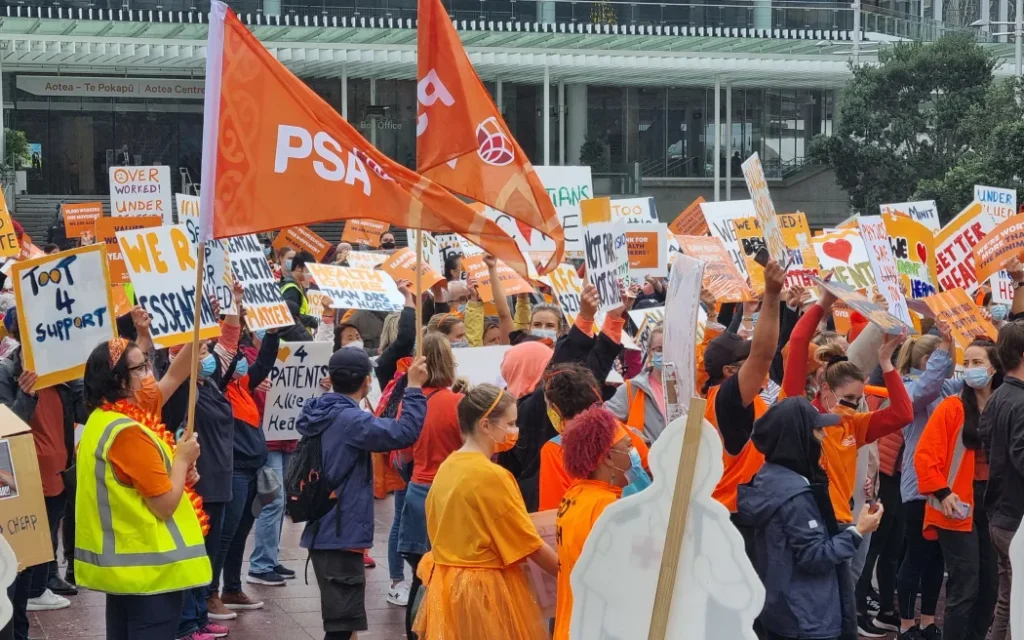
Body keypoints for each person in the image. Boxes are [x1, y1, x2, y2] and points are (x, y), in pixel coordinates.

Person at [77, 337, 210, 640]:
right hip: (151, 574)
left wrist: (202, 329)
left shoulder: (105, 419)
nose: (149, 373)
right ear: (119, 380)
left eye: (148, 362)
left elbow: (176, 373)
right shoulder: (126, 433)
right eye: (141, 367)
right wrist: (182, 460)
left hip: (128, 572)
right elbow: (163, 505)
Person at [298, 349, 429, 640]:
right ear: (367, 381)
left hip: (327, 526)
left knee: (344, 622)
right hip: (341, 531)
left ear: (330, 379)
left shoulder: (321, 409)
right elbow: (402, 433)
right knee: (341, 628)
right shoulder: (350, 420)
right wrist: (415, 388)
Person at [412, 384, 558, 640]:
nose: (514, 430)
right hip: (483, 588)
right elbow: (527, 542)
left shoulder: (449, 465)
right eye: (510, 423)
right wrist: (566, 570)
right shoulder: (492, 475)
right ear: (486, 425)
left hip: (446, 583)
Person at [738, 397, 883, 640]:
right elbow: (814, 556)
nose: (824, 437)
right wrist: (858, 531)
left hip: (782, 608)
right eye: (817, 430)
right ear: (797, 437)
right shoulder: (795, 494)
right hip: (807, 617)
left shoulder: (769, 477)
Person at [915, 338, 1001, 640]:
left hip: (993, 506)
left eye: (978, 363)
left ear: (995, 367)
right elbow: (925, 456)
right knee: (965, 586)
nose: (970, 369)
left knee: (990, 587)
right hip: (955, 505)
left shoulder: (1005, 405)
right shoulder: (952, 408)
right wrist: (942, 492)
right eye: (968, 362)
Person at [891, 327, 960, 640]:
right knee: (917, 554)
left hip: (947, 486)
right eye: (943, 355)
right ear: (931, 359)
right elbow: (926, 390)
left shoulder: (947, 386)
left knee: (937, 557)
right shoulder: (907, 386)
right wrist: (945, 349)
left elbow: (981, 382)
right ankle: (906, 624)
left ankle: (929, 621)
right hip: (918, 486)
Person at [396, 332, 464, 636]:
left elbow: (402, 454)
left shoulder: (409, 402)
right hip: (450, 495)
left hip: (416, 493)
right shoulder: (459, 404)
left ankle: (414, 633)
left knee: (420, 576)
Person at [553, 404, 632, 640]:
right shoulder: (608, 509)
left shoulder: (575, 494)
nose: (635, 454)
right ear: (608, 457)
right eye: (628, 447)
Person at [981, 320, 1024, 640]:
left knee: (1008, 603)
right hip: (1015, 518)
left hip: (1000, 512)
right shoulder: (1019, 401)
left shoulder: (997, 397)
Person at [606, 325, 667, 442]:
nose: (665, 354)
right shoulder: (632, 388)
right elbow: (605, 421)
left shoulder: (687, 389)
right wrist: (631, 436)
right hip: (646, 458)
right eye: (659, 349)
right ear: (649, 352)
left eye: (669, 349)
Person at [278, 250, 318, 340]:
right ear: (299, 268)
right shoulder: (291, 289)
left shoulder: (294, 285)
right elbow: (288, 314)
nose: (310, 273)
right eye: (309, 269)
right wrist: (311, 321)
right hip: (290, 342)